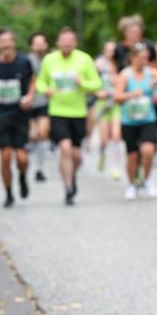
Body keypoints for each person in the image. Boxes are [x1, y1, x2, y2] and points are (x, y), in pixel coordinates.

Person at [35, 27, 102, 205]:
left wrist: (83, 82)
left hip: (78, 113)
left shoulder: (84, 59)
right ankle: (68, 187)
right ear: (58, 43)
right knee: (64, 148)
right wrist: (45, 89)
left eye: (70, 41)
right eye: (63, 41)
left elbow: (96, 84)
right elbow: (40, 81)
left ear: (75, 43)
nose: (66, 44)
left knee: (76, 156)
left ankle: (72, 176)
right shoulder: (49, 60)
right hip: (57, 112)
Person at [0, 28, 37, 208]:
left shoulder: (24, 62)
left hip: (20, 114)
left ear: (13, 43)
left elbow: (33, 80)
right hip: (0, 114)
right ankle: (9, 193)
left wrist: (30, 96)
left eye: (8, 40)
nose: (5, 44)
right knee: (5, 156)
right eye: (2, 41)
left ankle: (22, 176)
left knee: (21, 158)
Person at [113, 42, 157, 200]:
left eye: (146, 58)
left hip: (147, 119)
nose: (143, 61)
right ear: (132, 58)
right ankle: (131, 185)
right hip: (129, 121)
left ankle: (147, 179)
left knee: (148, 151)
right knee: (133, 156)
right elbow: (117, 97)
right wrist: (131, 94)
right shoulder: (125, 75)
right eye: (140, 58)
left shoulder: (150, 72)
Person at [93, 40, 124, 179]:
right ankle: (102, 155)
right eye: (108, 49)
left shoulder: (120, 65)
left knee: (116, 136)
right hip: (103, 103)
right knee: (104, 139)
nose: (111, 52)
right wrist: (97, 91)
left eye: (113, 49)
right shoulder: (99, 64)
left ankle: (116, 167)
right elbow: (92, 81)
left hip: (115, 103)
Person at [26, 32, 51, 182]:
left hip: (44, 103)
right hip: (30, 103)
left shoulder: (51, 60)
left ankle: (39, 169)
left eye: (42, 43)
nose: (40, 46)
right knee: (32, 135)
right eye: (37, 43)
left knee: (42, 134)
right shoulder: (26, 61)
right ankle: (31, 160)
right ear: (32, 46)